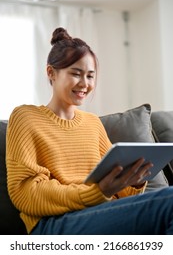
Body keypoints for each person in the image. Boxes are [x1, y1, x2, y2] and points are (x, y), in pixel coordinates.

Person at [6, 27, 173, 235]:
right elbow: (25, 192)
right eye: (76, 74)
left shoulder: (92, 123)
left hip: (102, 212)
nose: (85, 84)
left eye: (90, 76)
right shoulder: (25, 117)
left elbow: (124, 195)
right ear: (51, 72)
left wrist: (134, 179)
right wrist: (96, 193)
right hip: (54, 223)